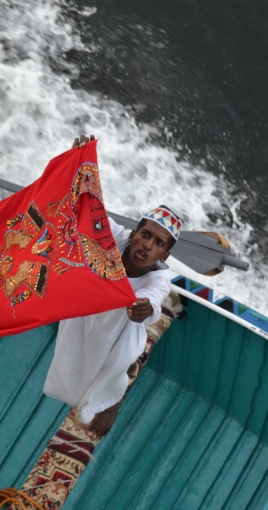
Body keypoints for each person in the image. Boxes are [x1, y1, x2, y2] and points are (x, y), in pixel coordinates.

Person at [43, 135, 182, 439]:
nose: (148, 245)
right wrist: (76, 161)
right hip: (83, 315)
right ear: (133, 234)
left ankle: (112, 401)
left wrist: (144, 310)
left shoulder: (158, 279)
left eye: (159, 243)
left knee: (109, 374)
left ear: (165, 255)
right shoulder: (111, 239)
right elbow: (87, 206)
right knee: (68, 368)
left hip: (119, 335)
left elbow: (153, 303)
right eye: (146, 235)